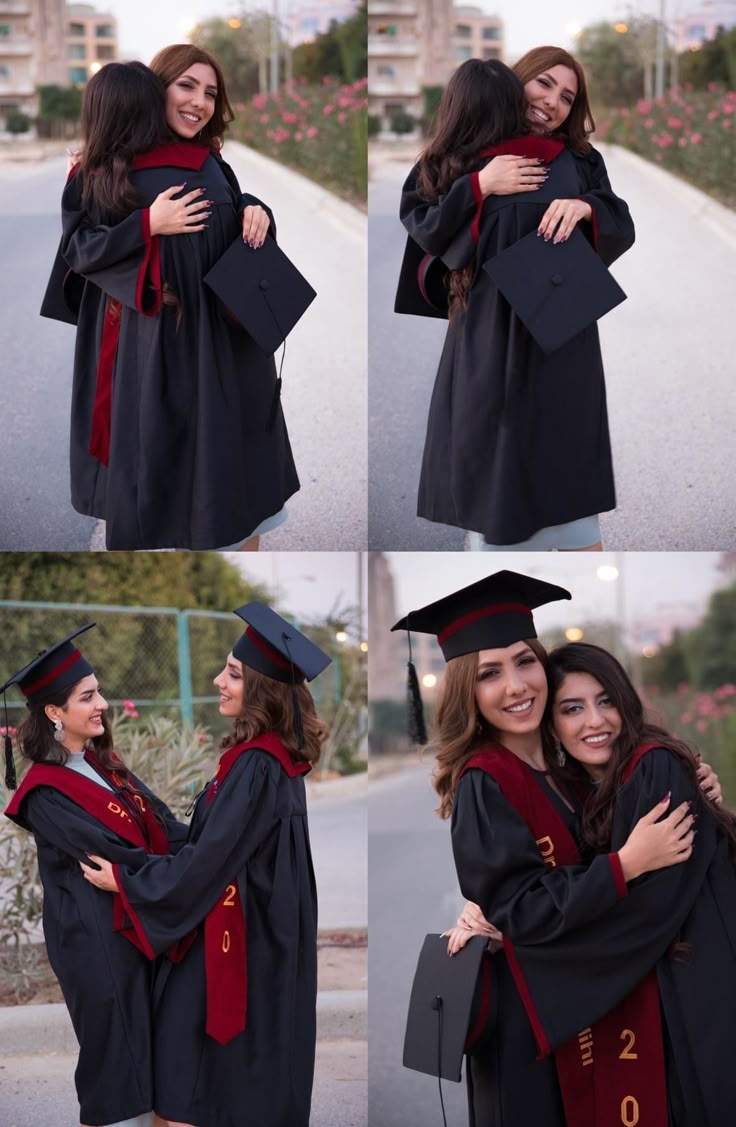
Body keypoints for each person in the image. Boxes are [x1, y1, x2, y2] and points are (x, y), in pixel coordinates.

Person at [394, 570, 720, 1127]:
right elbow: (519, 906)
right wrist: (627, 864)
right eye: (490, 674)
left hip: (584, 1001)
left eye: (525, 661)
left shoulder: (570, 771)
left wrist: (699, 785)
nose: (516, 685)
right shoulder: (485, 777)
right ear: (467, 690)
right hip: (530, 1021)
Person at [80, 603, 332, 1127]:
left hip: (239, 947)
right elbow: (210, 840)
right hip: (258, 939)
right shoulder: (267, 757)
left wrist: (126, 883)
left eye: (233, 673)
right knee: (212, 1089)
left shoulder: (258, 765)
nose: (219, 680)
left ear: (261, 688)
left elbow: (206, 864)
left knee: (188, 1096)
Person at [42, 55, 298, 551]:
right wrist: (146, 225)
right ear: (157, 89)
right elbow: (79, 249)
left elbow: (235, 208)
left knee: (240, 479)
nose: (200, 102)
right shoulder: (102, 167)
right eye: (187, 86)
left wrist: (256, 210)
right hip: (157, 341)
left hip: (229, 338)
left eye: (210, 92)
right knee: (169, 474)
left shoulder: (210, 159)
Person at [396, 50, 635, 551]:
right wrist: (479, 186)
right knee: (495, 465)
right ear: (517, 81)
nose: (552, 102)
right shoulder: (470, 150)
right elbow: (421, 221)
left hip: (561, 337)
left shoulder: (582, 161)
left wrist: (586, 207)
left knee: (566, 470)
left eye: (567, 97)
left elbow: (621, 220)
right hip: (487, 334)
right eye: (544, 84)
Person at [2, 624, 188, 1127]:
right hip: (94, 942)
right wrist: (186, 872)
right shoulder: (44, 792)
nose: (102, 702)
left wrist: (215, 841)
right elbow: (111, 856)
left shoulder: (106, 766)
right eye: (88, 696)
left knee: (152, 1063)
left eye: (99, 691)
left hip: (136, 922)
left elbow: (166, 828)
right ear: (55, 713)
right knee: (114, 1066)